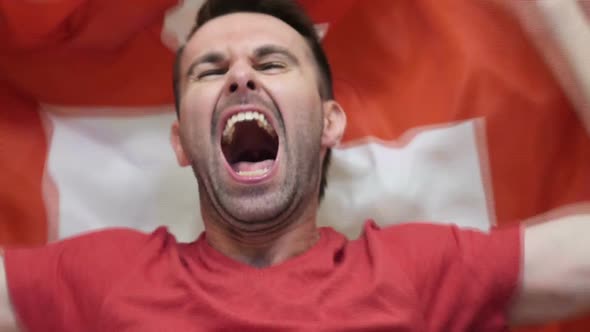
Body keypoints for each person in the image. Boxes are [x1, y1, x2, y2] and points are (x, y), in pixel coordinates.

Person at [1, 0, 589, 330]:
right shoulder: (105, 278)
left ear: (331, 122)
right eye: (209, 70)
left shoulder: (420, 272)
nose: (240, 75)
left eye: (273, 63)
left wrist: (553, 17)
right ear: (180, 143)